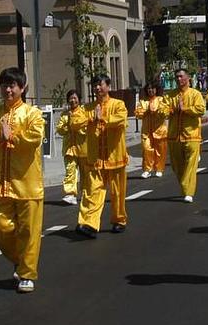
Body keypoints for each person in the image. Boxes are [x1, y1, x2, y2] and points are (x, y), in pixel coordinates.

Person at [0, 67, 45, 293]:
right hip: (0, 183)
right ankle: (20, 259)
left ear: (22, 88)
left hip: (27, 183)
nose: (7, 89)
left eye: (12, 85)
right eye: (4, 85)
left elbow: (35, 138)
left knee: (29, 231)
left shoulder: (32, 113)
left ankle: (26, 273)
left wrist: (12, 136)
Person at [76, 74, 129, 236]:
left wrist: (103, 118)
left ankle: (119, 219)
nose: (97, 88)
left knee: (117, 192)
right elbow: (75, 122)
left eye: (100, 84)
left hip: (115, 156)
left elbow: (121, 120)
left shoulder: (118, 104)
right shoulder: (87, 108)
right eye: (94, 85)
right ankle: (89, 224)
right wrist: (92, 118)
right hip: (96, 157)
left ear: (108, 86)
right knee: (92, 191)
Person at [165, 68, 206, 203]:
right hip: (174, 136)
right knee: (177, 166)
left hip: (191, 135)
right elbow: (163, 109)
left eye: (181, 76)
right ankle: (185, 187)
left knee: (190, 165)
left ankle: (189, 191)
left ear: (188, 78)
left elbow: (201, 109)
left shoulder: (195, 94)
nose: (178, 79)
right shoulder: (170, 95)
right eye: (176, 77)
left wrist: (186, 109)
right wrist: (172, 110)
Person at [55, 90, 88, 205]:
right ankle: (71, 194)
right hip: (69, 148)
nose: (73, 100)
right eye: (70, 98)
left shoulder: (84, 112)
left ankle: (86, 192)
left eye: (75, 98)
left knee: (85, 172)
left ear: (79, 99)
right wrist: (68, 125)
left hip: (83, 148)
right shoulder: (64, 114)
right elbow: (59, 129)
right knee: (70, 171)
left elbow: (86, 127)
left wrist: (76, 127)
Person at [136, 82, 168, 178]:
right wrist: (146, 112)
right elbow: (138, 114)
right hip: (146, 131)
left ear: (156, 89)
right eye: (149, 89)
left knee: (160, 150)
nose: (150, 90)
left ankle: (159, 168)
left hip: (160, 130)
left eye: (152, 88)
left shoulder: (161, 100)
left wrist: (158, 112)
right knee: (146, 149)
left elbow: (166, 112)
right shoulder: (143, 102)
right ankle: (147, 169)